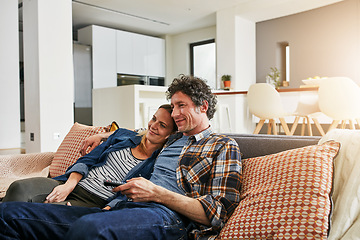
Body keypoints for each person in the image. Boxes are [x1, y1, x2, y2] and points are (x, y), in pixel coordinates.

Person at [0, 75, 242, 240]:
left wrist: (157, 194)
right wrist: (106, 133)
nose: (175, 114)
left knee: (88, 229)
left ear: (203, 106)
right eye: (173, 106)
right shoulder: (172, 138)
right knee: (8, 215)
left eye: (181, 106)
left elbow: (217, 214)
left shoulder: (222, 145)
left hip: (168, 217)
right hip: (119, 207)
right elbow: (137, 132)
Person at [2, 104, 177, 208]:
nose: (153, 125)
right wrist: (68, 185)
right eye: (153, 119)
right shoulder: (125, 136)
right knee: (19, 188)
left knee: (41, 212)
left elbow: (132, 195)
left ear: (170, 134)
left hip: (94, 200)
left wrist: (110, 208)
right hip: (70, 183)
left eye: (161, 125)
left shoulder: (157, 163)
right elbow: (87, 159)